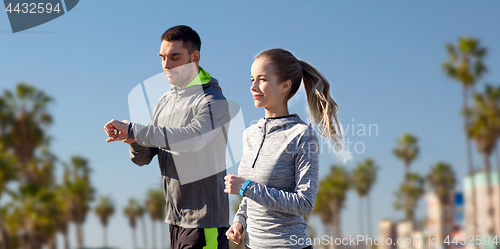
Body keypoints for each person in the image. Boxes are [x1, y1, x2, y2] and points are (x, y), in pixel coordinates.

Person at [104, 25, 231, 249]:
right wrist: (134, 142)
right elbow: (144, 158)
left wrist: (135, 130)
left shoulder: (213, 101)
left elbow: (191, 140)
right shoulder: (164, 102)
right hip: (174, 220)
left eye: (174, 57)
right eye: (162, 57)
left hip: (205, 222)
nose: (166, 65)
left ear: (195, 57)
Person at [223, 48, 351, 249]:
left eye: (262, 79)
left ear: (285, 85)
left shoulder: (301, 135)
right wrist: (240, 221)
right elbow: (250, 195)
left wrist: (246, 186)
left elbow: (304, 203)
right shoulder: (249, 135)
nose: (253, 86)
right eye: (251, 79)